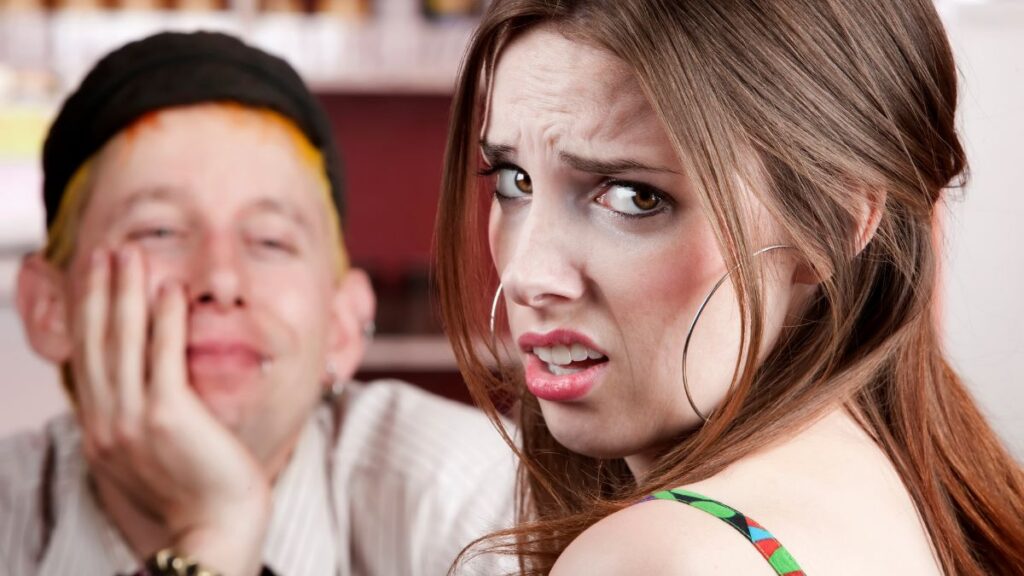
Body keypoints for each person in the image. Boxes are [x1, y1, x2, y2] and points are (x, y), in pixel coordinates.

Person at [435, 0, 1024, 574]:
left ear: (832, 221)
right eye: (514, 180)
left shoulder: (657, 557)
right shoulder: (920, 494)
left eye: (633, 197)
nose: (527, 275)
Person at [0, 31, 515, 576]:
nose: (221, 279)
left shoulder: (475, 502)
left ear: (342, 326)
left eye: (271, 241)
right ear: (49, 306)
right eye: (159, 230)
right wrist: (217, 529)